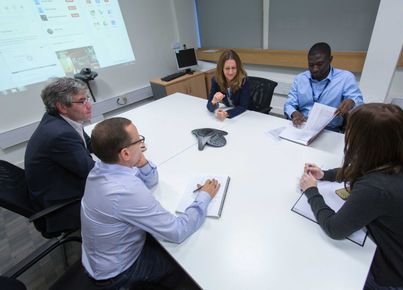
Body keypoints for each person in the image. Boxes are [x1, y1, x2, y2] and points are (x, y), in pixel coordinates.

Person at [299, 103, 403, 290]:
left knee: (323, 267)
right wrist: (326, 174)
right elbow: (366, 169)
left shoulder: (377, 188)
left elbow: (335, 229)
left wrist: (311, 190)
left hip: (402, 279)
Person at [81, 117, 220, 289]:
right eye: (139, 141)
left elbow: (150, 181)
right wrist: (204, 197)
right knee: (189, 262)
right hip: (119, 274)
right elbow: (178, 231)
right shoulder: (125, 190)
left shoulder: (101, 168)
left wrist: (140, 160)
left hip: (101, 258)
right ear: (124, 154)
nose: (142, 145)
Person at [25, 77, 95, 235]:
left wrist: (119, 146)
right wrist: (125, 161)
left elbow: (88, 144)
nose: (89, 105)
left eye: (88, 99)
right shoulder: (60, 134)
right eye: (82, 101)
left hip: (56, 189)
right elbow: (92, 172)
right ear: (62, 106)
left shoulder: (61, 120)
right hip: (63, 207)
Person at [284, 42, 363, 131]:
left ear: (330, 60)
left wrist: (352, 102)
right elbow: (289, 104)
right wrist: (294, 113)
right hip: (302, 125)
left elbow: (358, 102)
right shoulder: (300, 79)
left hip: (329, 129)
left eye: (319, 64)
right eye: (311, 65)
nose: (315, 69)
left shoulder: (345, 78)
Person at [206, 49, 250, 120]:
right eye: (227, 68)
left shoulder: (244, 80)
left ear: (238, 68)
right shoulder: (215, 80)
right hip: (231, 113)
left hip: (246, 115)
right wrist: (214, 101)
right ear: (221, 69)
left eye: (233, 68)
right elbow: (209, 106)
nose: (230, 72)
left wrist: (226, 113)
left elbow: (243, 106)